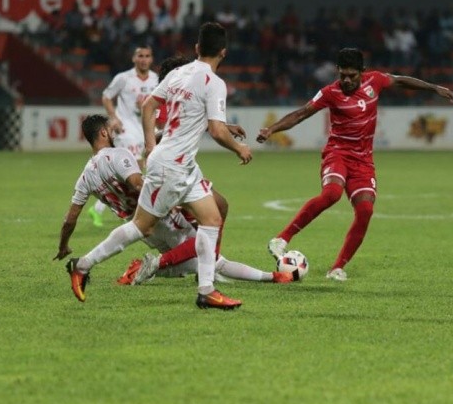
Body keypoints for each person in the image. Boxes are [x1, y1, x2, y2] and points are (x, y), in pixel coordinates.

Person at [66, 22, 253, 310]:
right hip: (172, 166)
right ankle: (82, 265)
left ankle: (206, 291)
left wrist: (151, 146)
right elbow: (216, 131)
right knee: (142, 226)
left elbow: (149, 106)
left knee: (212, 219)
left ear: (197, 48)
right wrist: (239, 148)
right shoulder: (215, 83)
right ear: (223, 53)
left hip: (181, 165)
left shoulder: (179, 73)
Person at [256, 47, 453, 281]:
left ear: (363, 71)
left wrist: (434, 88)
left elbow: (401, 81)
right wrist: (271, 129)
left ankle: (337, 268)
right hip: (337, 153)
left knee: (365, 210)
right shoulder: (330, 92)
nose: (347, 80)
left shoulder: (376, 80)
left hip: (363, 161)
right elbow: (301, 113)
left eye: (352, 75)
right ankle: (281, 239)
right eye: (343, 75)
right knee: (331, 194)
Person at [55, 114, 294, 287]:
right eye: (110, 129)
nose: (114, 132)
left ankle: (142, 268)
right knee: (211, 256)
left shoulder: (85, 176)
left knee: (188, 265)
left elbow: (70, 218)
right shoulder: (118, 155)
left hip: (141, 228)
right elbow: (138, 184)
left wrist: (63, 245)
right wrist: (170, 198)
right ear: (103, 133)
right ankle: (271, 277)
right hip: (160, 216)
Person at [89, 44, 158, 227]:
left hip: (144, 129)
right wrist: (114, 117)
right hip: (125, 130)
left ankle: (100, 208)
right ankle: (133, 212)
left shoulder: (156, 79)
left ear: (151, 59)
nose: (143, 59)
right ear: (134, 58)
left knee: (131, 171)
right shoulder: (123, 78)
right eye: (140, 56)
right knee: (135, 169)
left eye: (147, 56)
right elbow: (106, 96)